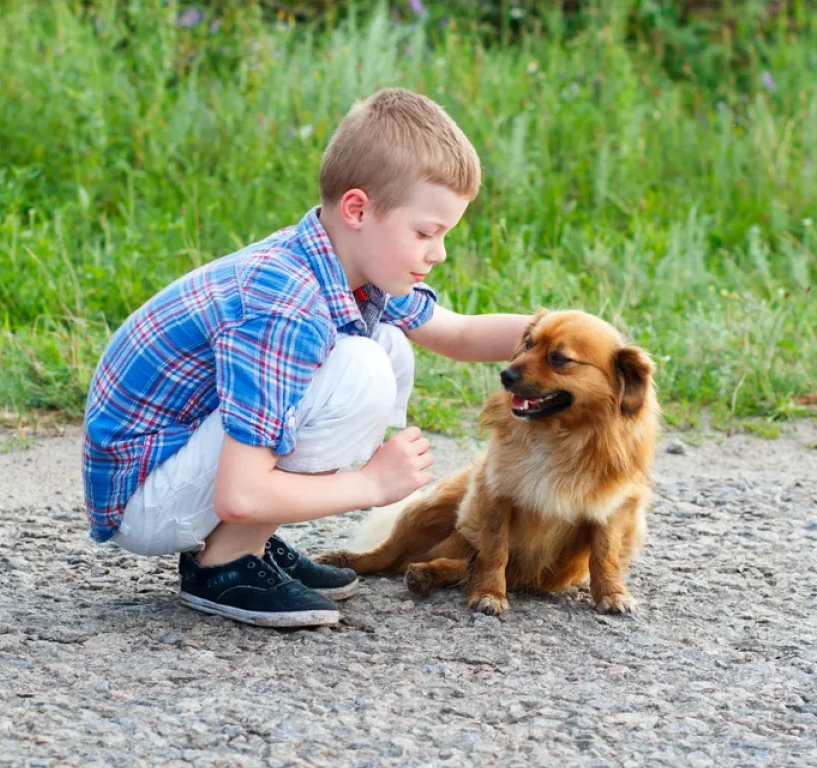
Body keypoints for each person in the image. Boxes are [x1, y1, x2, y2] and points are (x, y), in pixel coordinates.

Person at [82, 88, 531, 628]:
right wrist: (372, 485)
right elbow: (240, 492)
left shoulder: (350, 262)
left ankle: (244, 543)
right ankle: (223, 564)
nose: (438, 253)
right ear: (358, 209)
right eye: (426, 233)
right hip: (145, 495)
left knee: (385, 348)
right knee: (362, 368)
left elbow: (456, 334)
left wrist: (566, 335)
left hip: (182, 463)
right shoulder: (287, 305)